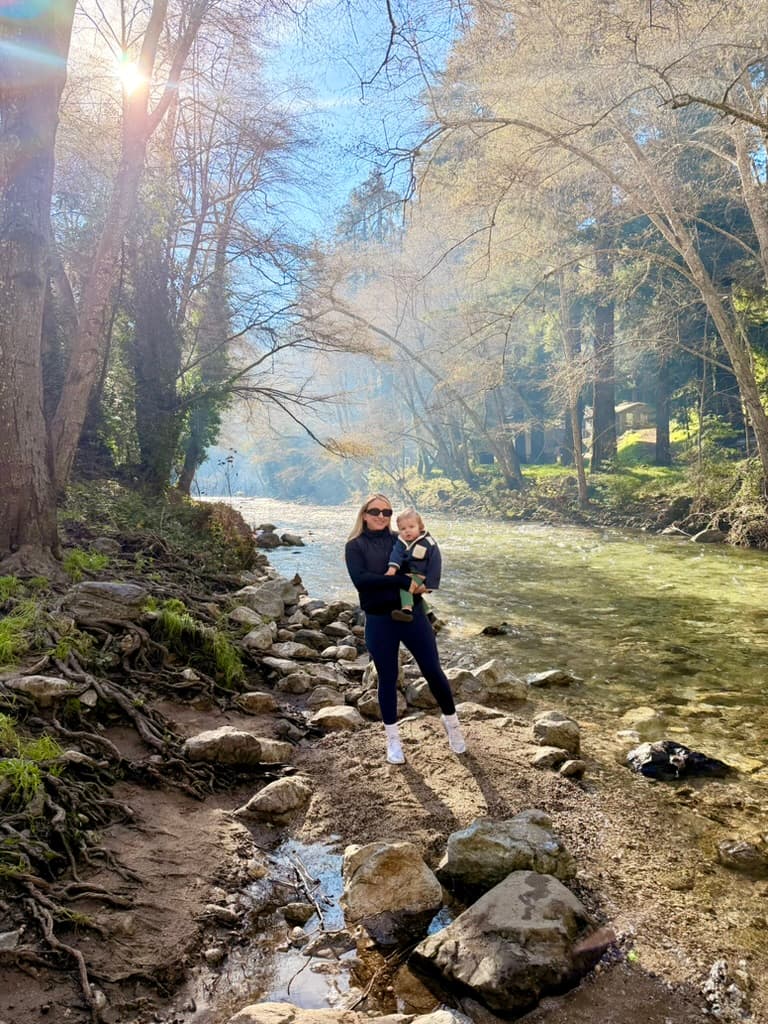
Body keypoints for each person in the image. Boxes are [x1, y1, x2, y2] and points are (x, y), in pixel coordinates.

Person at [345, 493, 466, 765]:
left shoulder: (401, 538)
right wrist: (400, 580)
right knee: (387, 679)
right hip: (378, 619)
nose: (381, 517)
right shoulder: (355, 545)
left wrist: (429, 583)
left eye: (387, 513)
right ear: (364, 514)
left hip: (413, 616)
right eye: (375, 511)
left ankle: (453, 726)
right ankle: (393, 741)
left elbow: (427, 559)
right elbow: (362, 581)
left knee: (433, 671)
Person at [385, 507, 439, 623]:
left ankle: (406, 611)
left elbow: (435, 563)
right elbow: (396, 554)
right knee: (413, 591)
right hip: (409, 571)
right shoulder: (401, 541)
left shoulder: (428, 542)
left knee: (405, 586)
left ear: (420, 527)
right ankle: (429, 614)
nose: (407, 531)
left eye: (411, 527)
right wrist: (392, 569)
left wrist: (430, 585)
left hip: (421, 574)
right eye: (403, 528)